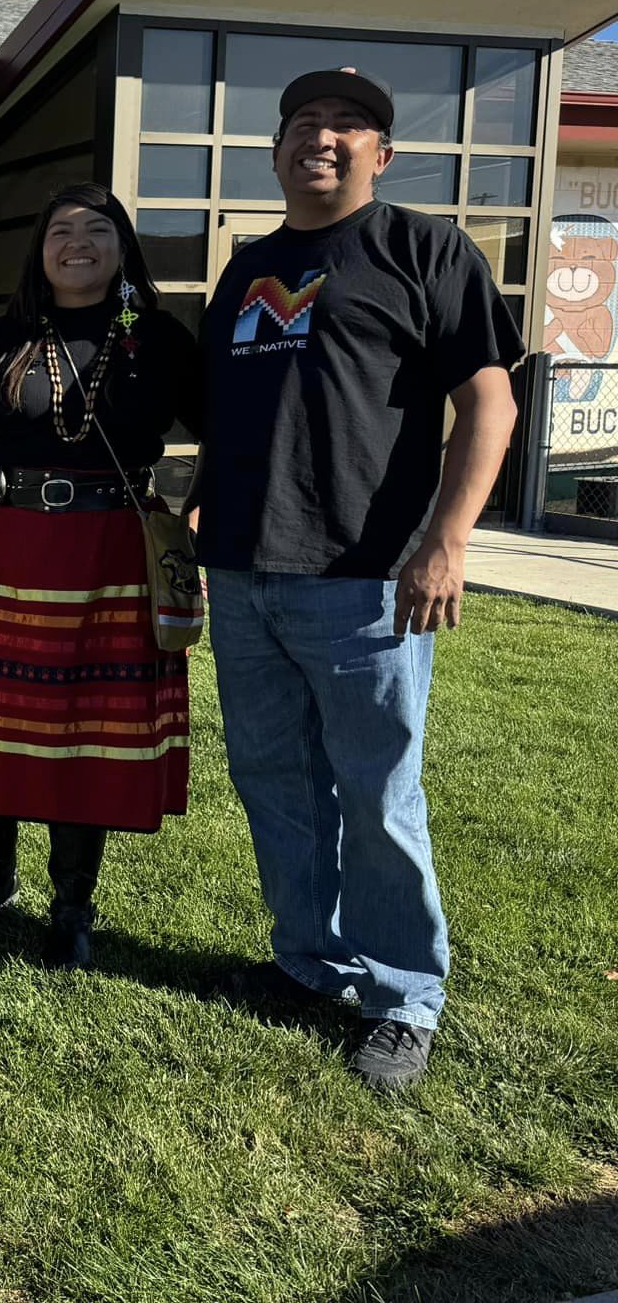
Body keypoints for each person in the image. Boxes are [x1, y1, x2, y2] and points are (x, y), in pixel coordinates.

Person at [202, 68, 522, 1091]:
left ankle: (398, 996)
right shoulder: (247, 269)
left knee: (377, 794)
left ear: (380, 155)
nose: (322, 140)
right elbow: (239, 411)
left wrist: (446, 539)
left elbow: (488, 404)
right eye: (303, 124)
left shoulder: (421, 249)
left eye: (347, 128)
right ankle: (306, 962)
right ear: (275, 150)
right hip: (244, 574)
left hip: (364, 579)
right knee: (274, 784)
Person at [0, 184, 204, 968]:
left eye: (96, 229)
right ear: (39, 248)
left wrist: (195, 520)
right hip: (8, 550)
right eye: (60, 229)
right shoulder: (5, 337)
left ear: (123, 247)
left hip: (114, 558)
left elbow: (226, 432)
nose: (76, 242)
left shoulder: (155, 337)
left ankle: (72, 907)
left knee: (88, 733)